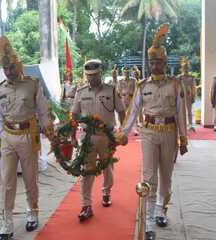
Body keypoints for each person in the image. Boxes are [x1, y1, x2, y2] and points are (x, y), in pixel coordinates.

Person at [118, 23, 188, 240]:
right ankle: (148, 221)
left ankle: (160, 209)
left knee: (166, 176)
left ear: (165, 63)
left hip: (169, 132)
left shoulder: (176, 85)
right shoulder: (142, 85)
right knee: (148, 176)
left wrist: (183, 139)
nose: (155, 65)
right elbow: (132, 111)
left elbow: (181, 113)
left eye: (159, 61)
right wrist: (124, 132)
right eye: (152, 61)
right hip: (148, 133)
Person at [0, 36, 54, 240]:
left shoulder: (32, 84)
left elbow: (43, 111)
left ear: (18, 66)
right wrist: (0, 138)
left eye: (11, 68)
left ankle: (32, 213)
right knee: (6, 181)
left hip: (28, 136)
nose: (8, 72)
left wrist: (49, 131)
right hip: (8, 138)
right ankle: (6, 223)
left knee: (30, 178)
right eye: (5, 69)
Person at [71, 59, 126, 222]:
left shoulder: (111, 90)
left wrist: (123, 132)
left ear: (101, 73)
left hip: (106, 136)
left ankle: (106, 192)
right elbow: (74, 115)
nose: (92, 78)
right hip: (87, 136)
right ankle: (86, 205)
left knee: (107, 167)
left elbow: (122, 112)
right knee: (87, 170)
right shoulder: (80, 92)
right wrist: (72, 136)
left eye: (95, 75)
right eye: (89, 76)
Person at [177, 58, 197, 131]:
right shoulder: (179, 77)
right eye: (184, 68)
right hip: (181, 96)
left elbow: (194, 88)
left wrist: (193, 96)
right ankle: (182, 125)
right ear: (182, 69)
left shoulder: (191, 77)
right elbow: (176, 87)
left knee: (189, 111)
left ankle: (190, 125)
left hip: (189, 96)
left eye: (187, 68)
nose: (186, 69)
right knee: (181, 111)